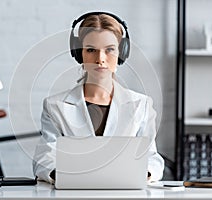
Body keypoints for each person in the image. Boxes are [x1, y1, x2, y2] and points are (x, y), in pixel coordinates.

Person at [33, 11, 164, 184]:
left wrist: (143, 174)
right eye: (91, 50)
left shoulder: (141, 105)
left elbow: (152, 158)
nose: (100, 59)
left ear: (121, 53)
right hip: (74, 193)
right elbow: (44, 159)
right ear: (79, 54)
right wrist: (66, 177)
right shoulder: (55, 106)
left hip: (124, 193)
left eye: (109, 50)